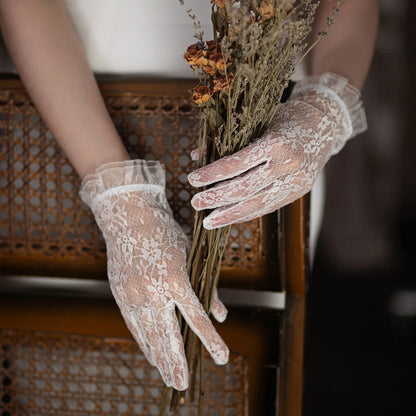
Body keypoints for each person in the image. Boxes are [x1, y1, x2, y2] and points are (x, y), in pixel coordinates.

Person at [0, 0, 379, 391]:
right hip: (72, 120)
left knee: (240, 372)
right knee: (75, 371)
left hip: (267, 152)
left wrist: (325, 109)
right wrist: (119, 196)